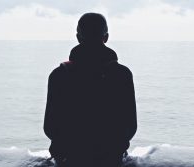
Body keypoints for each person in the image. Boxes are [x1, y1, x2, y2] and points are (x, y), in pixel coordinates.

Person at [44, 13, 137, 167]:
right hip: (110, 157)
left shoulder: (59, 74)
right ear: (106, 37)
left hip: (69, 157)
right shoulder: (122, 74)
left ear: (78, 37)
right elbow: (130, 127)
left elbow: (50, 127)